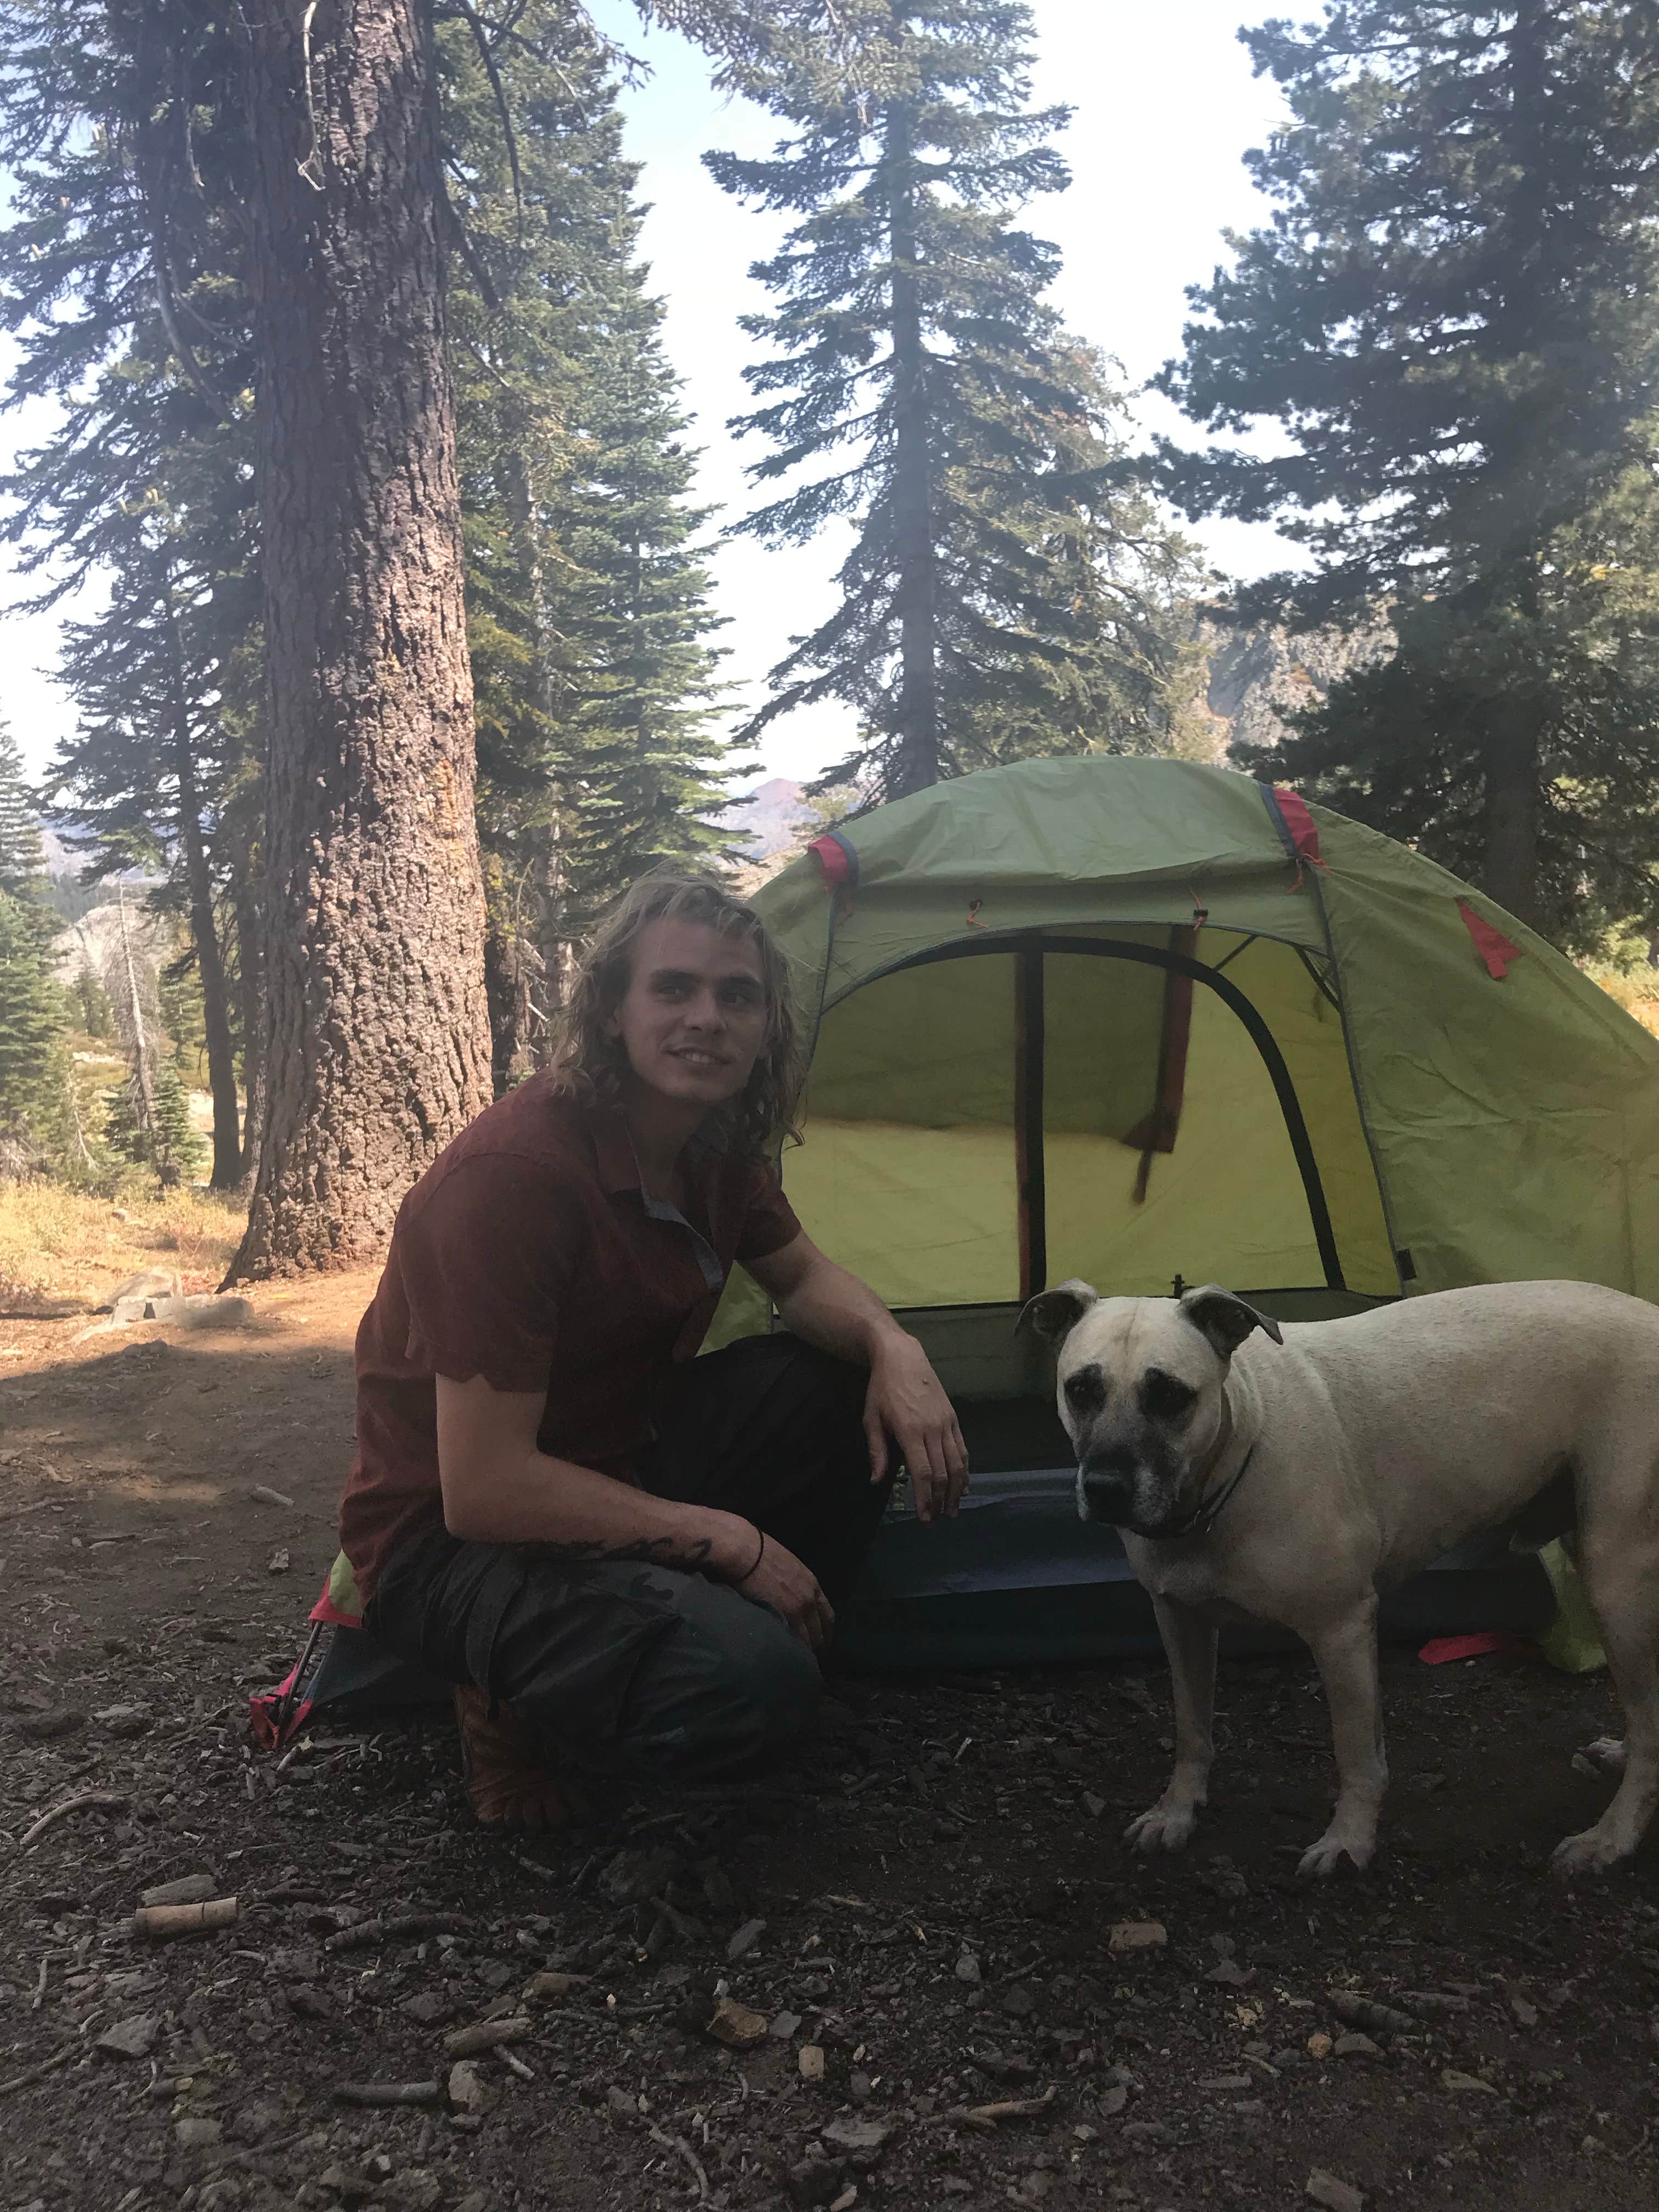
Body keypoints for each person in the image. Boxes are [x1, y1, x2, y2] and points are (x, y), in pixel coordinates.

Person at [339, 871, 969, 1826]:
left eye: (737, 995)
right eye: (673, 989)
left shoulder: (710, 1145)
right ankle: (531, 1705)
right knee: (748, 1694)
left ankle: (738, 1634)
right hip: (447, 1544)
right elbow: (487, 1489)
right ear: (612, 1010)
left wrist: (893, 1346)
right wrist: (731, 1540)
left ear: (768, 1027)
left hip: (619, 1453)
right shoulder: (513, 1181)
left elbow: (801, 1281)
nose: (706, 1018)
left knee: (836, 1387)